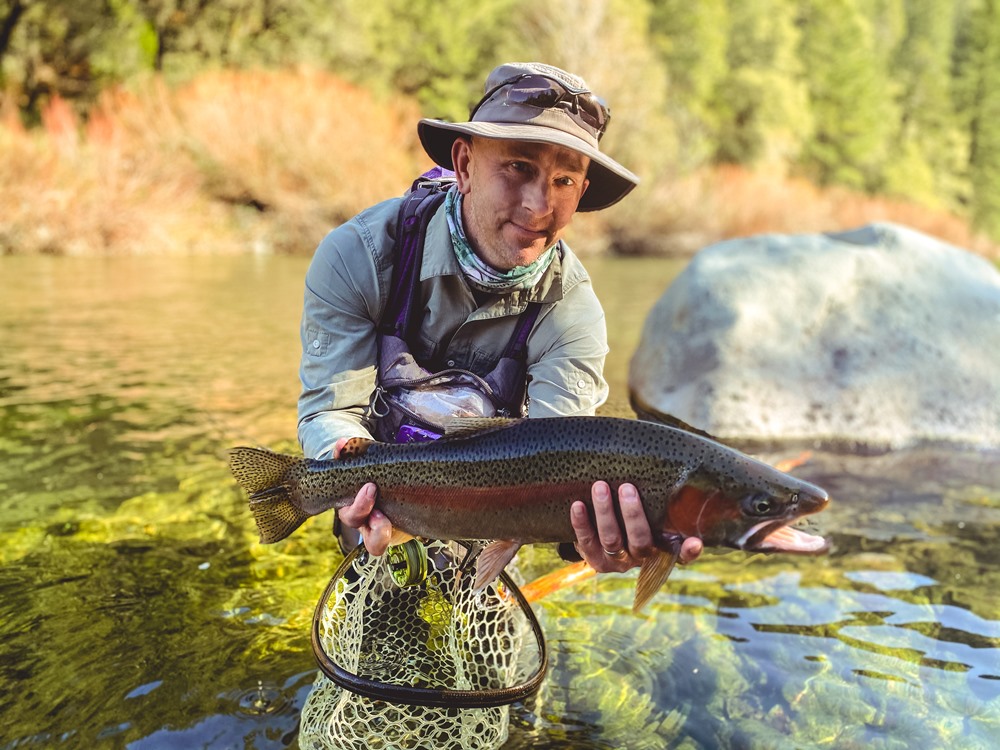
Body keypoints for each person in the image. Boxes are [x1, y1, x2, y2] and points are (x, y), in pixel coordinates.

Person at [297, 61, 702, 575]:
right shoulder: (360, 256)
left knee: (483, 641)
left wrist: (589, 538)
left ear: (581, 193)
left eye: (563, 180)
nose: (538, 206)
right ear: (464, 165)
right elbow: (329, 410)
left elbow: (563, 465)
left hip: (497, 515)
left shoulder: (572, 314)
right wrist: (345, 475)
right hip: (380, 499)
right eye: (518, 167)